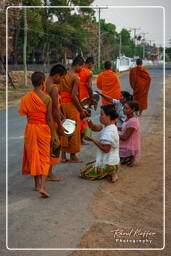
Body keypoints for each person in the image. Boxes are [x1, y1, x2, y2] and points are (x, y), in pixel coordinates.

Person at [18, 72, 54, 198]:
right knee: (44, 157)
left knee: (33, 155)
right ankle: (42, 187)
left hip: (31, 129)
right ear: (42, 82)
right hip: (43, 129)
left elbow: (26, 114)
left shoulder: (26, 98)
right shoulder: (47, 98)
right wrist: (54, 135)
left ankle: (37, 184)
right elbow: (49, 119)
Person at [80, 104, 120, 182]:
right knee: (86, 167)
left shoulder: (109, 132)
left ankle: (111, 172)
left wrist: (93, 140)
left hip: (109, 162)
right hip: (113, 160)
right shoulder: (110, 126)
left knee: (84, 173)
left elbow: (106, 150)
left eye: (102, 114)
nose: (100, 117)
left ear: (108, 117)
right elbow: (95, 128)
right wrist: (89, 121)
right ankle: (112, 170)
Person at [59, 55, 87, 163]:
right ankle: (73, 155)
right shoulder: (76, 78)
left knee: (64, 126)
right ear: (77, 65)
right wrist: (81, 110)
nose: (81, 69)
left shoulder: (63, 74)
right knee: (74, 129)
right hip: (71, 105)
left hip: (62, 104)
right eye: (81, 67)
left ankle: (63, 155)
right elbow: (74, 96)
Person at [45, 64, 67, 181]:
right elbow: (54, 109)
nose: (62, 80)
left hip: (42, 120)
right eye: (62, 77)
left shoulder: (43, 82)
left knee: (45, 147)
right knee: (54, 145)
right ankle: (49, 173)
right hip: (52, 121)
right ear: (57, 76)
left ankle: (43, 172)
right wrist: (60, 125)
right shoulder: (53, 88)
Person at [78, 56, 97, 144]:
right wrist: (92, 98)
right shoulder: (89, 72)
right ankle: (84, 138)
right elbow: (89, 86)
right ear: (90, 63)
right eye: (92, 64)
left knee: (79, 118)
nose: (92, 66)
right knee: (86, 117)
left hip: (77, 97)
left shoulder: (78, 70)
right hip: (85, 98)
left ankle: (78, 138)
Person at [119, 101, 141, 166]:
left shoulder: (133, 121)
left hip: (129, 149)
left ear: (132, 110)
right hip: (126, 146)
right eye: (124, 108)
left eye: (126, 108)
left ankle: (130, 159)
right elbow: (124, 129)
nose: (124, 110)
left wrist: (114, 135)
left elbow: (125, 137)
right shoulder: (128, 118)